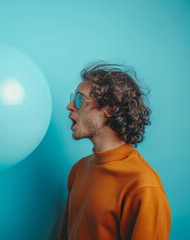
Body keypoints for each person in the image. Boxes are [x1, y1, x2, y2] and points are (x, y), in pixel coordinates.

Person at [58, 62, 171, 239]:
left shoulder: (144, 186)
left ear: (110, 108)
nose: (70, 106)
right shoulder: (78, 170)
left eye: (80, 99)